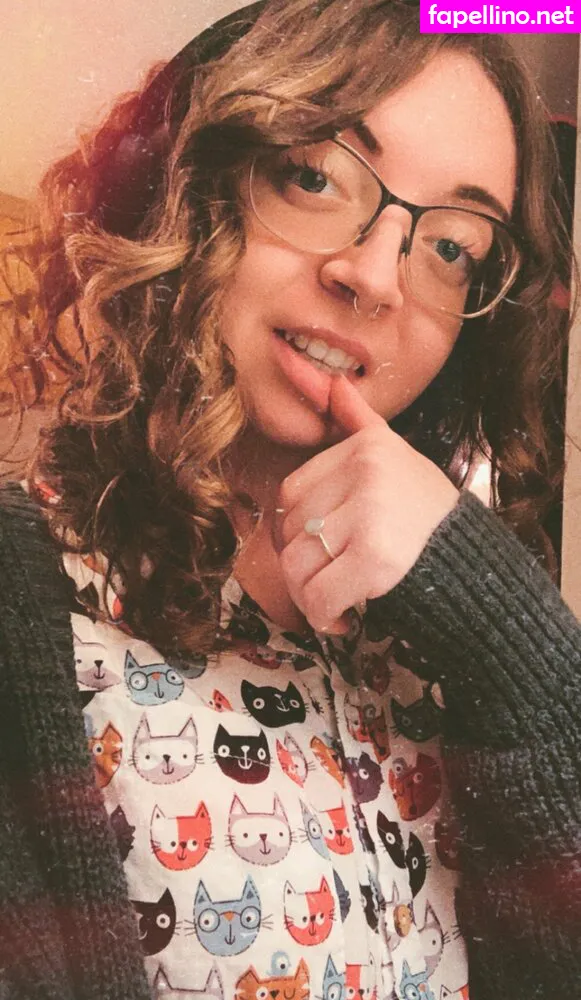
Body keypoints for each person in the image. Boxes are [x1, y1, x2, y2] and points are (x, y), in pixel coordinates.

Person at [0, 2, 579, 999]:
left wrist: (517, 650)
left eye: (451, 246)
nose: (374, 277)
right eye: (313, 176)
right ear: (191, 182)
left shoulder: (444, 643)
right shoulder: (28, 609)